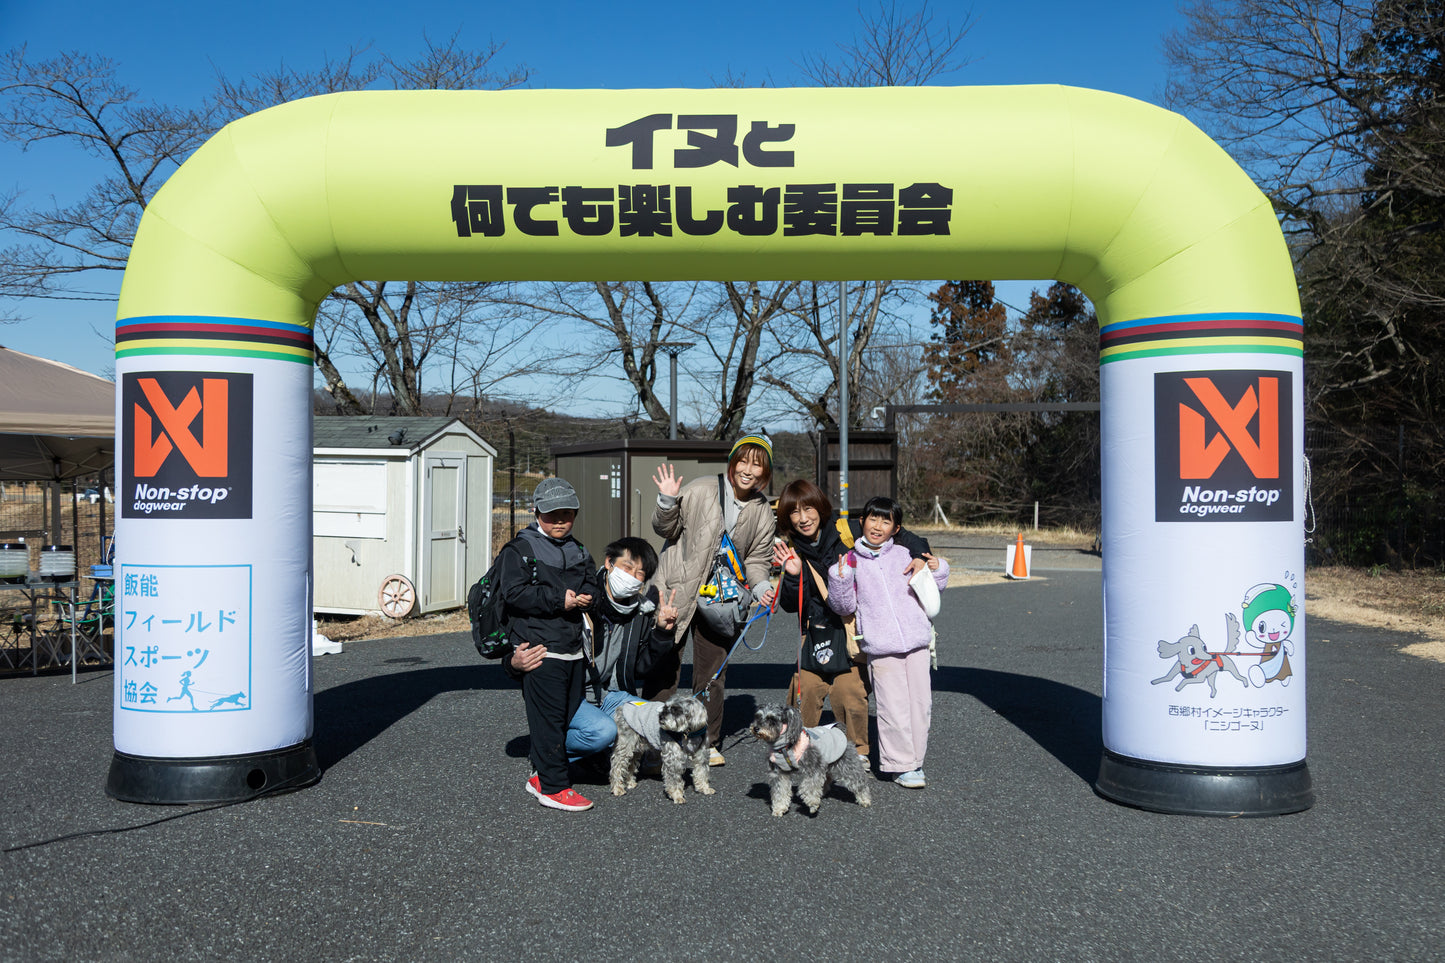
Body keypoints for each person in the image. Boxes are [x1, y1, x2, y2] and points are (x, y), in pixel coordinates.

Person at [773, 479, 932, 761]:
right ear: (787, 519)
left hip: (852, 633)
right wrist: (794, 576)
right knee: (805, 690)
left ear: (820, 508)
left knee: (849, 691)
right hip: (815, 635)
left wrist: (920, 556)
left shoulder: (848, 531)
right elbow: (788, 605)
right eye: (794, 513)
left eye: (808, 508)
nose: (803, 518)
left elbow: (905, 536)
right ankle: (794, 747)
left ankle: (855, 753)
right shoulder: (792, 549)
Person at [647, 432, 776, 765]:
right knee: (664, 666)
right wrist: (667, 501)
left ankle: (705, 740)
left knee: (713, 673)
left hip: (723, 597)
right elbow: (667, 530)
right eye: (744, 461)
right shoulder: (703, 488)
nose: (749, 470)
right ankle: (655, 739)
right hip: (677, 587)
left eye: (758, 465)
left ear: (765, 471)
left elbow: (758, 560)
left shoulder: (763, 510)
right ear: (733, 461)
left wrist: (762, 588)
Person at [511, 536, 680, 762]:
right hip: (573, 695)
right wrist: (511, 663)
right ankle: (546, 755)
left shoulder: (640, 612)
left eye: (639, 574)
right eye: (626, 567)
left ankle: (595, 752)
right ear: (609, 563)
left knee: (654, 715)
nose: (631, 577)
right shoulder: (581, 598)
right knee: (603, 732)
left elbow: (641, 667)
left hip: (611, 696)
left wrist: (662, 632)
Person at [826, 495, 948, 790]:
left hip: (916, 641)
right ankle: (899, 765)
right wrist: (840, 578)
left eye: (885, 520)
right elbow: (843, 606)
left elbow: (936, 586)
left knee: (921, 705)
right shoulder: (851, 559)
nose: (877, 526)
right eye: (873, 518)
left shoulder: (906, 553)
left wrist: (936, 567)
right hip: (881, 646)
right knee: (892, 708)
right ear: (861, 522)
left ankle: (914, 761)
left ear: (896, 528)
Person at [498, 477, 602, 812]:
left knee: (564, 717)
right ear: (535, 511)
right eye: (550, 513)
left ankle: (544, 773)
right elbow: (513, 593)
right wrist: (560, 599)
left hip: (573, 648)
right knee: (548, 720)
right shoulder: (520, 549)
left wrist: (590, 596)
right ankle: (554, 786)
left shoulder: (580, 549)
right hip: (540, 650)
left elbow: (591, 583)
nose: (559, 520)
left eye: (567, 513)